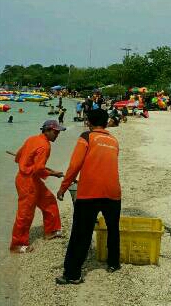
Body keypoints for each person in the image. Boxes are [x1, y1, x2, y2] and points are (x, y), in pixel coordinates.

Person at [56, 109, 122, 284]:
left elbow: (74, 165)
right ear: (106, 122)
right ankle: (114, 263)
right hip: (113, 192)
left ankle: (72, 274)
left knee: (80, 233)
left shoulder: (86, 136)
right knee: (113, 228)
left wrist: (63, 187)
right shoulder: (114, 141)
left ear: (89, 122)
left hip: (90, 192)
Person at [10, 120, 66, 253]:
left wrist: (28, 162)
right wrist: (53, 173)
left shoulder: (32, 139)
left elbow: (18, 157)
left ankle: (50, 231)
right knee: (25, 213)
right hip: (27, 182)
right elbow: (39, 169)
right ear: (46, 130)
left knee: (49, 201)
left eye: (58, 132)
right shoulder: (45, 146)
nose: (57, 135)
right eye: (55, 132)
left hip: (28, 178)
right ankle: (17, 244)